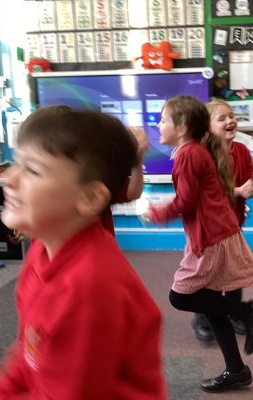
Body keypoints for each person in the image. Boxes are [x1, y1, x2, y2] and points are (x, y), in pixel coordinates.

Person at [0, 108, 167, 399]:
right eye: (16, 163)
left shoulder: (88, 285)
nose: (8, 179)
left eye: (33, 170)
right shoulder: (42, 252)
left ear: (89, 198)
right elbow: (29, 352)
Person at [144, 95, 253, 393]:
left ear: (183, 127)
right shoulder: (193, 151)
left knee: (180, 297)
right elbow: (194, 198)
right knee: (212, 307)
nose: (158, 125)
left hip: (211, 238)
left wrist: (156, 213)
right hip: (215, 233)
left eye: (163, 120)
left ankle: (247, 311)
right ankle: (237, 371)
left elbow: (185, 201)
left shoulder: (189, 154)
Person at [192, 98, 253, 342]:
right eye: (222, 118)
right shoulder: (203, 154)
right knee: (207, 272)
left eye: (231, 116)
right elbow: (207, 193)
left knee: (234, 270)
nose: (230, 120)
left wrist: (248, 188)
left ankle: (234, 311)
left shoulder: (241, 151)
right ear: (208, 127)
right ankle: (203, 316)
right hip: (208, 227)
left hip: (233, 222)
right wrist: (238, 191)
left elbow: (247, 177)